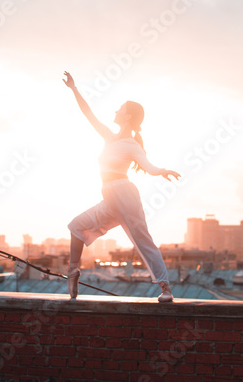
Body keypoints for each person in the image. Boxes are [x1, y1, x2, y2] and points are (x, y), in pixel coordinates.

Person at [62, 71, 181, 302]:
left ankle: (165, 289)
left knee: (141, 239)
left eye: (120, 108)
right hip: (109, 197)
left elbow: (148, 166)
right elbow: (88, 113)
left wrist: (162, 171)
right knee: (76, 226)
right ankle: (73, 271)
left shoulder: (131, 144)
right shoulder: (110, 137)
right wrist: (74, 89)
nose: (116, 110)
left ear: (128, 116)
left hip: (124, 194)